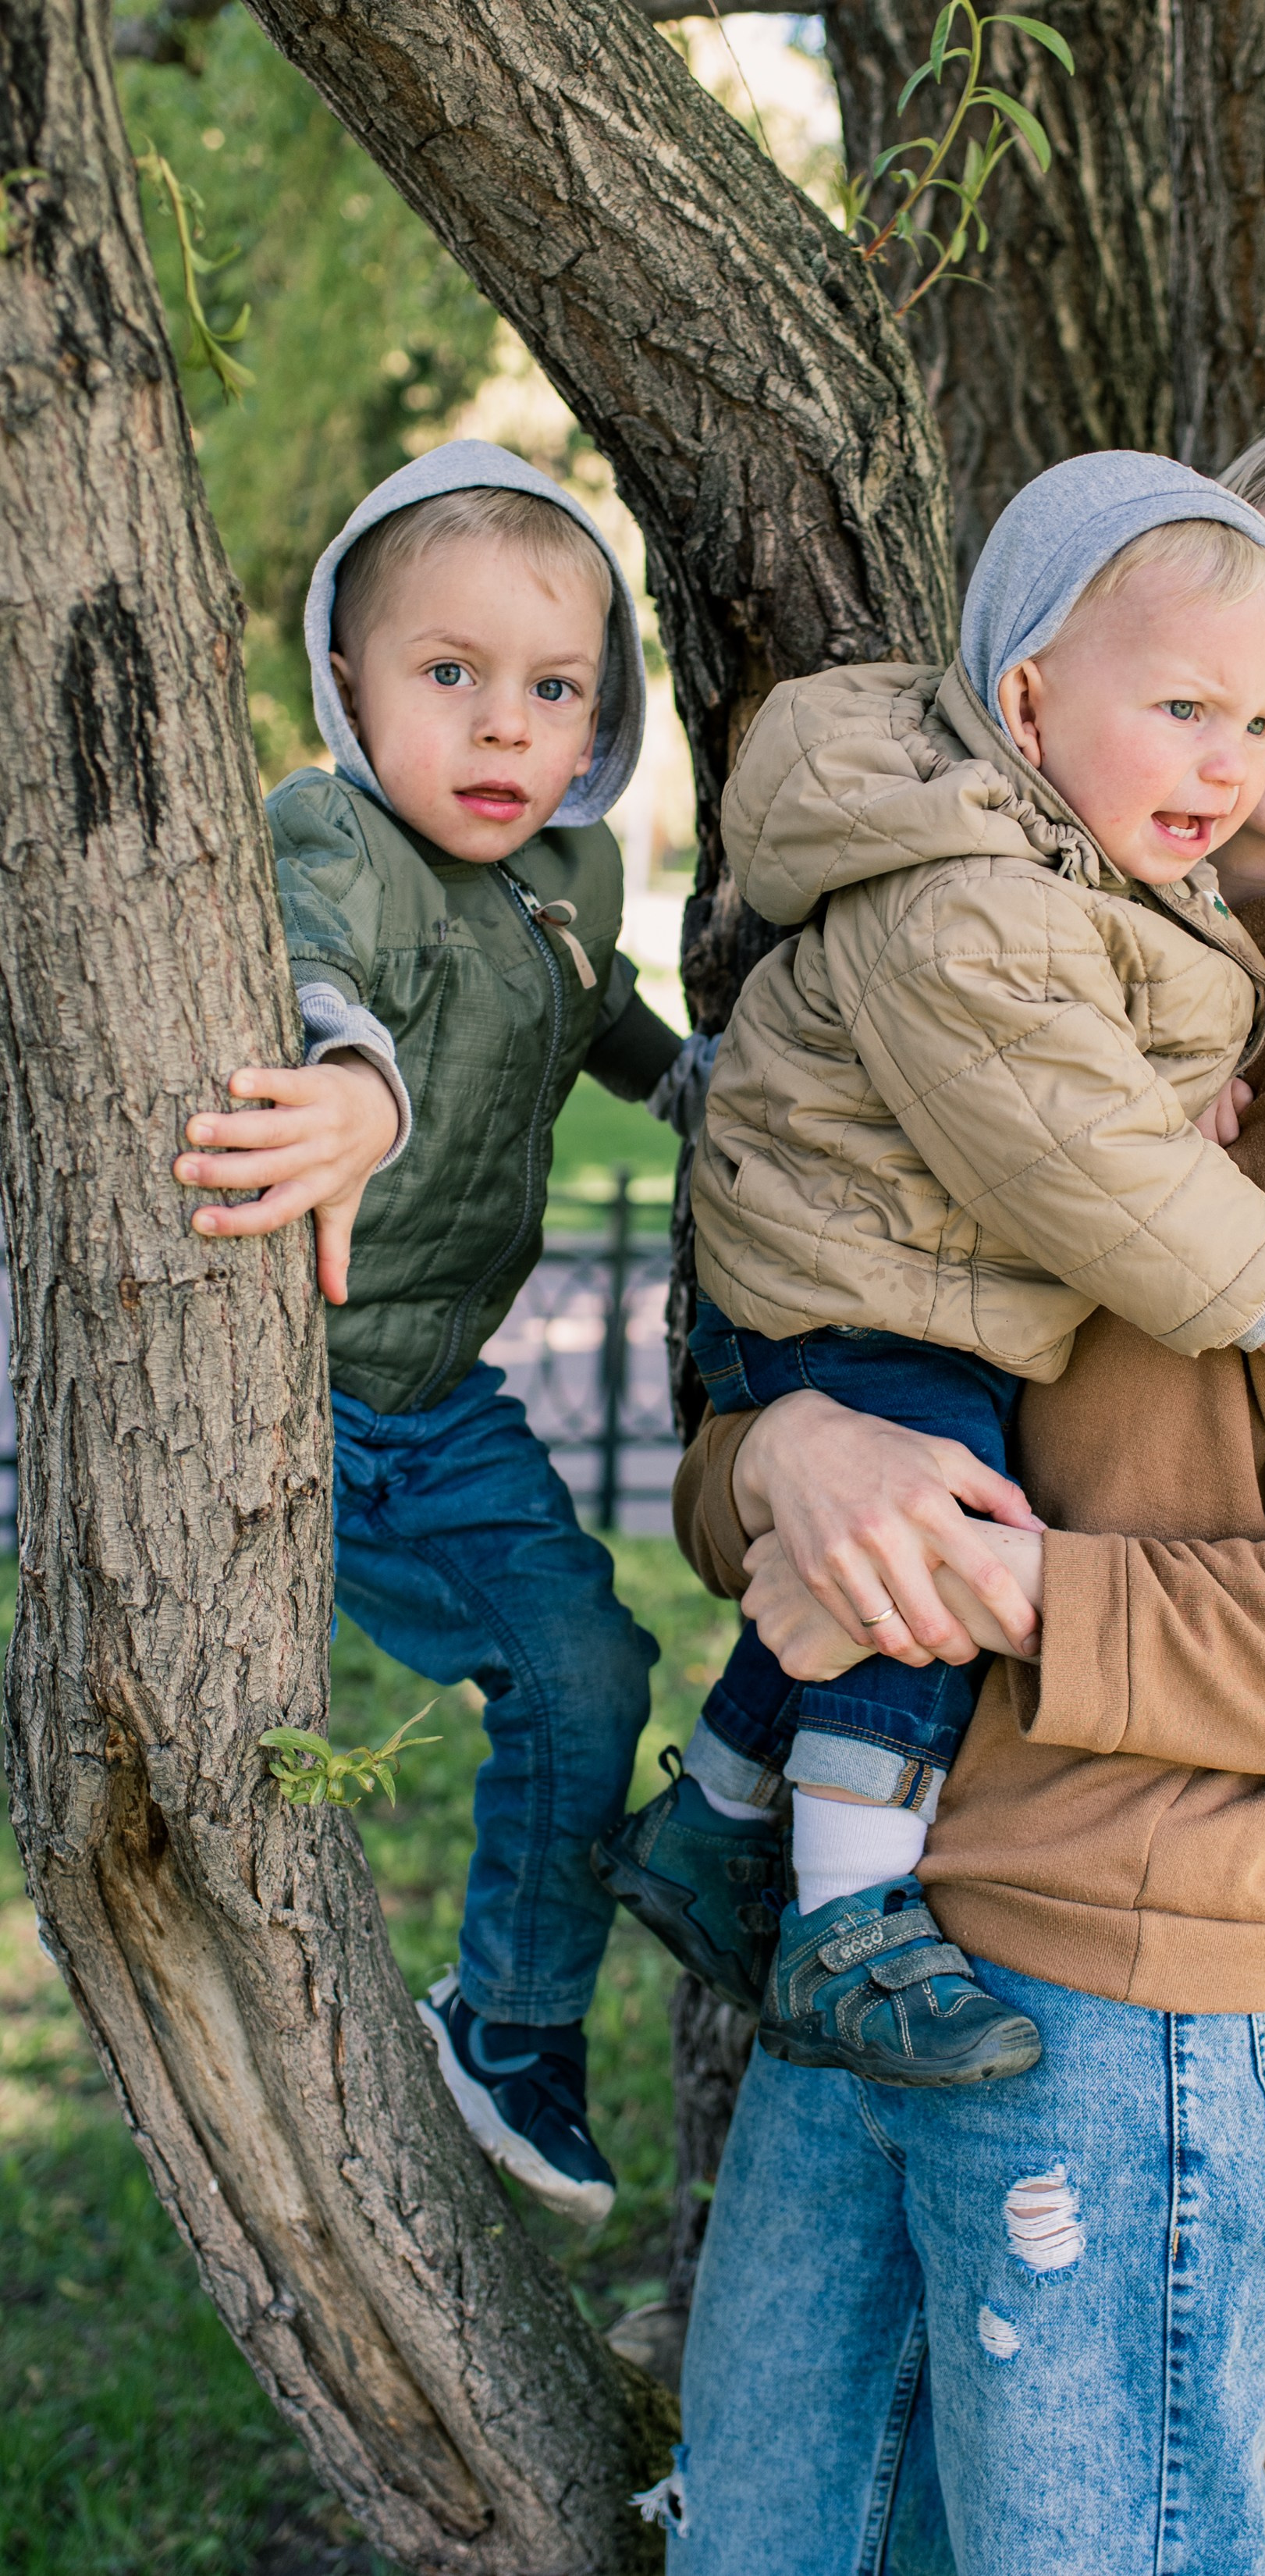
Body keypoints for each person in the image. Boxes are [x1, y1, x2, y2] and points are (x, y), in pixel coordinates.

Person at [656, 401, 1265, 2572]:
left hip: (1133, 2029)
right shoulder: (994, 939)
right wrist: (784, 1448)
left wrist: (988, 1586)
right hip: (860, 1932)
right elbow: (785, 1434)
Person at [598, 456, 1265, 2089]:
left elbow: (1080, 1064)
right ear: (1030, 703)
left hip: (885, 1278)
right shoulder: (968, 894)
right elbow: (1080, 1159)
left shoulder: (1053, 858)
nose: (1230, 762)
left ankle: (711, 1821)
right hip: (855, 1290)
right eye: (1187, 707)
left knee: (894, 1543)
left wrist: (1173, 1062)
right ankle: (842, 1924)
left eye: (1252, 727)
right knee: (940, 1560)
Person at [171, 440, 715, 2222]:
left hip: (438, 1396)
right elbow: (329, 981)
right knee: (536, 1685)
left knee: (597, 1674)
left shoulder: (567, 875)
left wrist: (696, 1087)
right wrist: (354, 1091)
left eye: (551, 688)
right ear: (348, 677)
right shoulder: (337, 835)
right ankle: (510, 2029)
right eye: (449, 674)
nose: (502, 729)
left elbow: (594, 1006)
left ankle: (503, 2023)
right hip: (303, 1389)